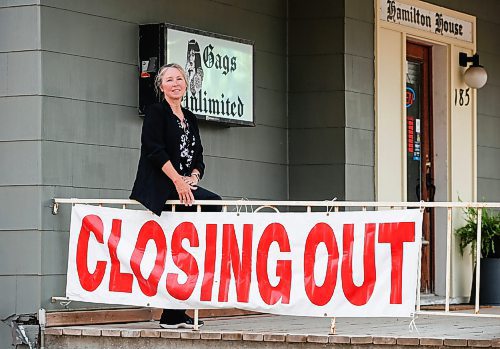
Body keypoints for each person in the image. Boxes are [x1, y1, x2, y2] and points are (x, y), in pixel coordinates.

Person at [130, 63, 221, 329]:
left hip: (183, 185)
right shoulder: (156, 112)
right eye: (169, 80)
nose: (176, 83)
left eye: (179, 78)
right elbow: (154, 150)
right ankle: (171, 313)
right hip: (162, 185)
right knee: (179, 243)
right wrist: (178, 181)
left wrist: (194, 176)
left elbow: (198, 154)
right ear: (161, 86)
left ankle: (174, 313)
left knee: (188, 243)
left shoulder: (190, 117)